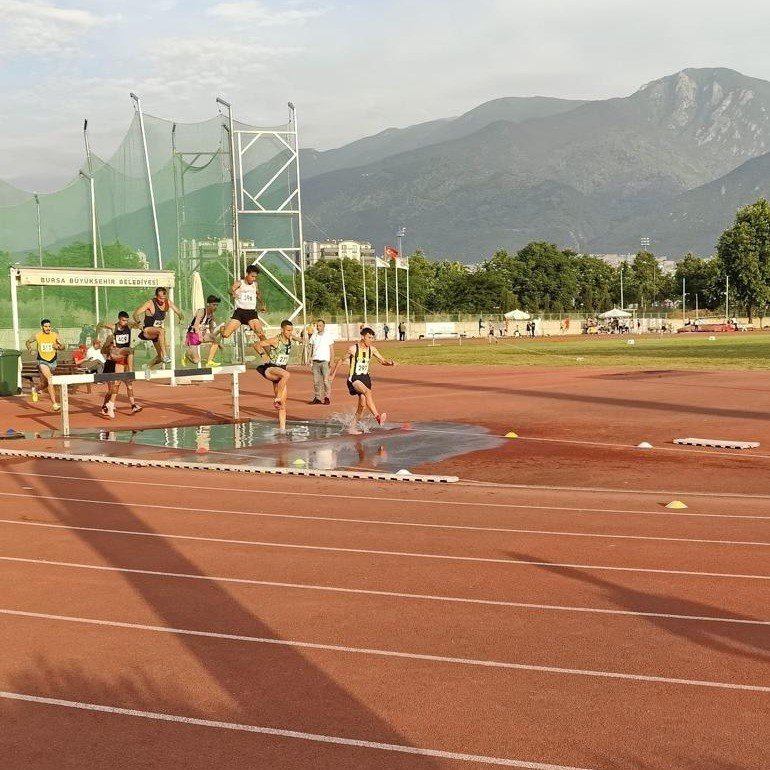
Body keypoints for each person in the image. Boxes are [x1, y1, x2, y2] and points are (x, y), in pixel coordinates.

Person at [332, 326, 394, 433]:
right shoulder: (353, 349)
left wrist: (390, 363)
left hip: (365, 378)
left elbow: (382, 361)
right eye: (369, 337)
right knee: (367, 391)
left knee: (362, 406)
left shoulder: (372, 349)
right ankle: (377, 417)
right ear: (363, 337)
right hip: (354, 378)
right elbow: (341, 360)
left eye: (372, 338)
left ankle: (352, 427)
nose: (371, 340)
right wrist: (332, 375)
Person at [254, 319, 297, 432]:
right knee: (287, 375)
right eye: (288, 330)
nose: (290, 332)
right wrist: (263, 354)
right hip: (271, 369)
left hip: (280, 373)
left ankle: (282, 430)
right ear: (282, 330)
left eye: (291, 330)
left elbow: (295, 338)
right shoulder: (275, 340)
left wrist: (302, 339)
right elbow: (257, 344)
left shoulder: (290, 339)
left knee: (282, 405)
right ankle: (277, 397)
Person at [99, 311, 143, 418]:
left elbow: (137, 324)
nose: (125, 322)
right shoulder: (112, 330)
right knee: (113, 387)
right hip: (113, 361)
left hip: (124, 357)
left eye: (126, 320)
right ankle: (107, 405)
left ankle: (132, 405)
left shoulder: (129, 325)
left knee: (129, 383)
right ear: (119, 319)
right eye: (123, 320)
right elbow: (102, 324)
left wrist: (140, 325)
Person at [218, 265, 268, 356]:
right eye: (252, 276)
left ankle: (272, 356)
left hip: (251, 313)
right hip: (240, 313)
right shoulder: (239, 283)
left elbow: (257, 293)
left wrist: (262, 303)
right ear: (247, 274)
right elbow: (230, 290)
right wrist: (233, 293)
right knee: (225, 335)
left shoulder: (255, 284)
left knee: (261, 334)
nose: (253, 278)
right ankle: (222, 328)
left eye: (255, 277)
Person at [134, 287, 183, 368]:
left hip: (157, 334)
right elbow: (135, 314)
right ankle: (165, 356)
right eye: (160, 298)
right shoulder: (150, 303)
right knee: (162, 331)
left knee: (160, 357)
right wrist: (139, 323)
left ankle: (147, 366)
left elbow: (178, 312)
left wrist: (181, 318)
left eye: (164, 298)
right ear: (156, 296)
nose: (162, 300)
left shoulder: (168, 302)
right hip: (147, 331)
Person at [26, 319, 65, 411]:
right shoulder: (37, 335)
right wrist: (30, 349)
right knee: (50, 378)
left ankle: (35, 389)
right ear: (42, 327)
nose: (48, 328)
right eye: (46, 326)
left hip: (52, 361)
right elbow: (28, 342)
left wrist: (59, 347)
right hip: (42, 361)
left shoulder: (55, 335)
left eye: (49, 326)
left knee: (45, 384)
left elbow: (63, 346)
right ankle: (55, 404)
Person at [183, 295, 222, 366]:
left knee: (216, 339)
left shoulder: (212, 315)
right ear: (208, 304)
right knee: (196, 361)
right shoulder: (201, 311)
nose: (215, 307)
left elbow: (211, 327)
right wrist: (200, 336)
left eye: (217, 305)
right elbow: (195, 326)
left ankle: (209, 361)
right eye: (214, 305)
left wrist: (214, 338)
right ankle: (186, 354)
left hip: (202, 336)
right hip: (193, 336)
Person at [308, 319, 335, 405]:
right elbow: (311, 348)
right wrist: (309, 358)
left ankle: (327, 397)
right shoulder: (314, 336)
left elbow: (331, 349)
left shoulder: (328, 336)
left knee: (326, 381)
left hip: (325, 362)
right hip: (316, 361)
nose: (318, 327)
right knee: (316, 381)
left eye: (320, 325)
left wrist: (332, 361)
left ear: (324, 326)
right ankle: (317, 398)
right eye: (317, 326)